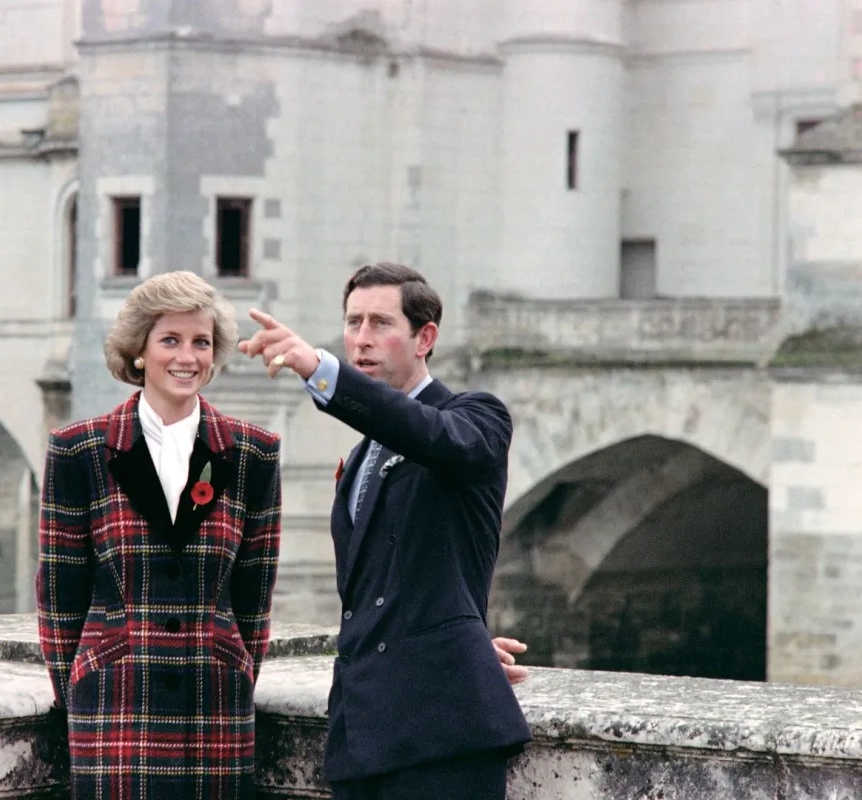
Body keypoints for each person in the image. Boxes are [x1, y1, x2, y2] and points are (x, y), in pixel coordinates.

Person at [238, 262, 532, 800]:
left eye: (380, 324)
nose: (361, 340)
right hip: (364, 729)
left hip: (443, 735)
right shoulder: (360, 456)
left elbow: (427, 434)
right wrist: (457, 643)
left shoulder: (475, 418)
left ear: (426, 338)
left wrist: (321, 370)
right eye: (353, 324)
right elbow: (385, 589)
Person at [37, 270, 282, 799]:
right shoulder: (79, 450)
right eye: (170, 340)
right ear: (140, 351)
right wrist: (79, 689)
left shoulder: (252, 454)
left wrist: (232, 668)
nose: (187, 356)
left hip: (215, 704)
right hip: (112, 707)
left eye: (200, 342)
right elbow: (60, 598)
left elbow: (254, 599)